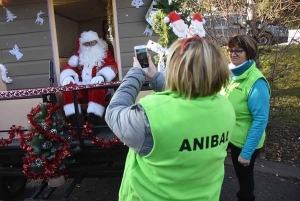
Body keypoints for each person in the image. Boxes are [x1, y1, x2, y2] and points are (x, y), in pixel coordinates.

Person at [105, 37, 236, 201]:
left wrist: (136, 72)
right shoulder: (225, 107)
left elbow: (114, 112)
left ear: (175, 69)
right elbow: (190, 95)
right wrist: (154, 76)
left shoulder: (150, 114)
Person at [220, 35, 270, 201]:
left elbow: (260, 120)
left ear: (248, 52)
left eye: (238, 50)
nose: (233, 54)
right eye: (230, 50)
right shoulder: (231, 75)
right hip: (231, 136)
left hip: (245, 142)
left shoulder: (256, 82)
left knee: (244, 180)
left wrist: (247, 152)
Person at [60, 30, 118, 125]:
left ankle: (93, 123)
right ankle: (75, 123)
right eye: (87, 44)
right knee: (68, 88)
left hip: (98, 89)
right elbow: (70, 67)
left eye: (93, 42)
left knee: (97, 86)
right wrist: (68, 76)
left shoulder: (105, 54)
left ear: (97, 42)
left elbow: (112, 66)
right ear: (83, 45)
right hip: (82, 88)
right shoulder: (78, 58)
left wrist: (102, 76)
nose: (91, 45)